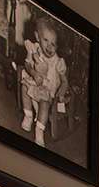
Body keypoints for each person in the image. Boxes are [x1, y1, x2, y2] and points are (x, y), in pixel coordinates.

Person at [20, 17, 68, 149]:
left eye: (53, 43)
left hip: (48, 90)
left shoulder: (57, 62)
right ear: (37, 37)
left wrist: (62, 92)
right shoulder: (34, 49)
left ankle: (39, 129)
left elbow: (64, 81)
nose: (49, 46)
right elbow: (27, 64)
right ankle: (28, 115)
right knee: (24, 87)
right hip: (35, 83)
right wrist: (33, 73)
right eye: (45, 40)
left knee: (45, 104)